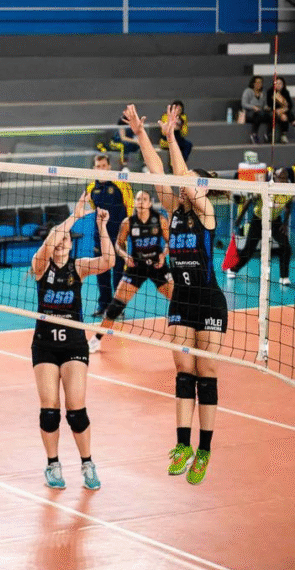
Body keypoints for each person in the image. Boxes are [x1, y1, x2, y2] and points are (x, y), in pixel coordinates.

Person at [126, 103, 228, 485]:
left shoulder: (205, 212)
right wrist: (142, 134)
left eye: (192, 181)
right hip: (182, 299)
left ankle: (204, 450)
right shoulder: (173, 210)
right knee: (183, 371)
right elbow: (158, 172)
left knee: (207, 372)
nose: (186, 185)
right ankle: (182, 444)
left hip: (209, 299)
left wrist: (171, 137)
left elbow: (183, 175)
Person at [31, 194, 114, 491]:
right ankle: (53, 464)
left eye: (68, 239)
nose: (65, 243)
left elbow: (108, 261)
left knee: (76, 410)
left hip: (74, 345)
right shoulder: (40, 266)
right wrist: (74, 216)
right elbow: (51, 241)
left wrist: (102, 226)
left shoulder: (77, 267)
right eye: (60, 240)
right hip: (44, 345)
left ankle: (87, 463)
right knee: (49, 408)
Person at [88, 189, 174, 352]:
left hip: (157, 266)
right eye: (139, 199)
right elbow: (118, 245)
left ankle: (189, 333)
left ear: (150, 203)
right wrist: (125, 256)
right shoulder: (128, 222)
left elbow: (170, 242)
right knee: (115, 306)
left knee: (177, 299)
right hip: (136, 267)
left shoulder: (160, 220)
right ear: (135, 202)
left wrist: (163, 255)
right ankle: (96, 339)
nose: (141, 201)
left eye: (145, 199)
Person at [227, 167, 293, 285]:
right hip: (258, 220)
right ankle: (232, 269)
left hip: (275, 221)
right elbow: (248, 202)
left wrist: (285, 223)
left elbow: (288, 207)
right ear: (275, 177)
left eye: (285, 178)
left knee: (286, 247)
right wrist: (240, 218)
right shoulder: (266, 187)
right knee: (249, 249)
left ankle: (284, 277)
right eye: (280, 177)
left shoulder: (289, 189)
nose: (283, 180)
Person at [86, 153, 133, 316]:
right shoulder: (91, 188)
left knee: (119, 272)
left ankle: (118, 308)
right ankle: (103, 305)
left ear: (109, 167)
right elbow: (93, 207)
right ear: (94, 168)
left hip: (119, 237)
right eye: (98, 166)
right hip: (100, 236)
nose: (101, 169)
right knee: (101, 270)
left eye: (104, 166)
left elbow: (130, 208)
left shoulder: (121, 183)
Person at [242, 76, 271, 144]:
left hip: (260, 112)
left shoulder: (263, 93)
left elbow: (264, 104)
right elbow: (244, 104)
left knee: (271, 115)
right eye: (257, 82)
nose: (259, 84)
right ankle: (254, 134)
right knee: (258, 114)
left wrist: (267, 107)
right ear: (253, 83)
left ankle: (268, 134)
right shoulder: (248, 91)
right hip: (249, 112)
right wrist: (253, 107)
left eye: (260, 83)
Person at [266, 77, 292, 144]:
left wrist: (283, 109)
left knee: (284, 116)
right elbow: (269, 104)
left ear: (283, 85)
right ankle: (274, 134)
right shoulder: (270, 92)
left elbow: (290, 105)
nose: (278, 85)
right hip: (273, 110)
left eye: (280, 83)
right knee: (280, 115)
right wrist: (278, 109)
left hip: (283, 111)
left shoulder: (286, 92)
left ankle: (283, 135)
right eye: (276, 83)